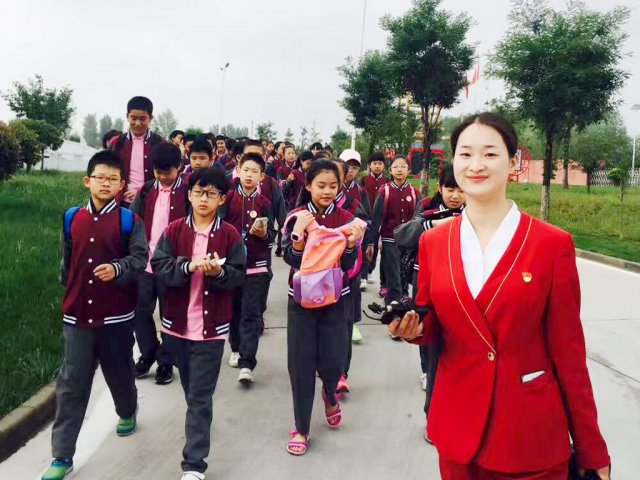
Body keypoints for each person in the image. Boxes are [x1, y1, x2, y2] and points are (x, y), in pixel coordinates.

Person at [390, 113, 611, 480]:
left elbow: (569, 354)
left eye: (490, 154)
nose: (476, 165)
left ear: (512, 163)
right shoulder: (433, 242)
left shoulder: (551, 245)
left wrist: (591, 447)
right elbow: (434, 323)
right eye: (465, 154)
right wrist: (414, 329)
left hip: (528, 438)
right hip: (457, 432)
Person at [42, 151, 148, 480]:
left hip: (116, 317)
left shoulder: (129, 221)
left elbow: (140, 259)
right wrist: (70, 286)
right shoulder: (71, 217)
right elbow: (67, 260)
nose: (105, 183)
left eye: (113, 179)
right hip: (77, 315)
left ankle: (127, 409)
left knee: (119, 372)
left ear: (121, 185)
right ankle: (62, 456)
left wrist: (118, 269)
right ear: (87, 181)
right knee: (71, 384)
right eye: (100, 177)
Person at [151, 167, 246, 480]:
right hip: (176, 327)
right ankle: (199, 426)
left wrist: (218, 273)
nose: (204, 199)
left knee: (200, 397)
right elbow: (160, 265)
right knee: (192, 391)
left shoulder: (230, 235)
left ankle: (194, 464)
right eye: (198, 192)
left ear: (222, 199)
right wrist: (188, 266)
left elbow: (238, 275)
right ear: (189, 195)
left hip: (211, 330)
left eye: (211, 193)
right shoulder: (174, 230)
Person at [282, 160, 365, 456]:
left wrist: (352, 245)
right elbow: (289, 259)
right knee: (301, 364)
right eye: (321, 185)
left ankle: (330, 392)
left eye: (333, 186)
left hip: (336, 299)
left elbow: (351, 265)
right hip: (301, 300)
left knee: (334, 359)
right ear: (308, 186)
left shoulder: (348, 218)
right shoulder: (296, 216)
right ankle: (301, 427)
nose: (327, 191)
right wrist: (298, 238)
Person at [130, 143, 190, 384]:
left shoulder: (188, 191)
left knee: (170, 313)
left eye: (168, 172)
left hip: (172, 265)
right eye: (158, 172)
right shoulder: (145, 191)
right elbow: (133, 222)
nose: (163, 177)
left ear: (179, 167)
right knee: (140, 311)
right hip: (145, 263)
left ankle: (166, 360)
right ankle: (148, 353)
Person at [220, 154, 276, 383]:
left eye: (254, 171)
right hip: (232, 265)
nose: (249, 175)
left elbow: (272, 235)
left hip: (257, 266)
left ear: (262, 176)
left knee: (252, 314)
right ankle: (235, 347)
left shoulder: (265, 203)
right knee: (233, 310)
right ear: (239, 171)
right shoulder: (228, 198)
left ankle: (247, 362)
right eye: (246, 170)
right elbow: (218, 227)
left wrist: (263, 234)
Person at [331, 158, 372, 391]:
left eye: (336, 176)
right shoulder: (307, 206)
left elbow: (367, 222)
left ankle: (341, 373)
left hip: (347, 272)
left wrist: (359, 237)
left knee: (344, 324)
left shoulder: (352, 203)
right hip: (318, 277)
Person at [370, 155, 421, 307]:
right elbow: (376, 219)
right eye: (396, 167)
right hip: (389, 238)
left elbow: (419, 218)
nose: (399, 169)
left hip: (409, 240)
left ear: (408, 170)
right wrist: (372, 242)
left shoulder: (415, 193)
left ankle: (403, 298)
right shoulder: (384, 191)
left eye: (403, 166)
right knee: (393, 272)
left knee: (404, 270)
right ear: (390, 171)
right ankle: (393, 303)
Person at [109, 96, 164, 207]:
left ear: (150, 118)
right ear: (127, 117)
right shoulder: (117, 143)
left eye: (142, 119)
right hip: (121, 202)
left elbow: (166, 176)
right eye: (133, 118)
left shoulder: (161, 144)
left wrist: (142, 193)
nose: (138, 123)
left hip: (151, 202)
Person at [339, 149, 371, 291]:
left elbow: (367, 218)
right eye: (347, 166)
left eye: (355, 167)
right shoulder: (332, 187)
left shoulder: (361, 191)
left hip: (354, 238)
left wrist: (369, 241)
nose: (350, 170)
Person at [359, 151, 388, 286]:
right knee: (364, 244)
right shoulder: (363, 180)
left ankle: (370, 270)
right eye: (374, 163)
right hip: (365, 217)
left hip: (379, 218)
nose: (377, 166)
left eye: (380, 163)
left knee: (375, 244)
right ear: (369, 165)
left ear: (384, 166)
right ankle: (363, 275)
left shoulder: (387, 181)